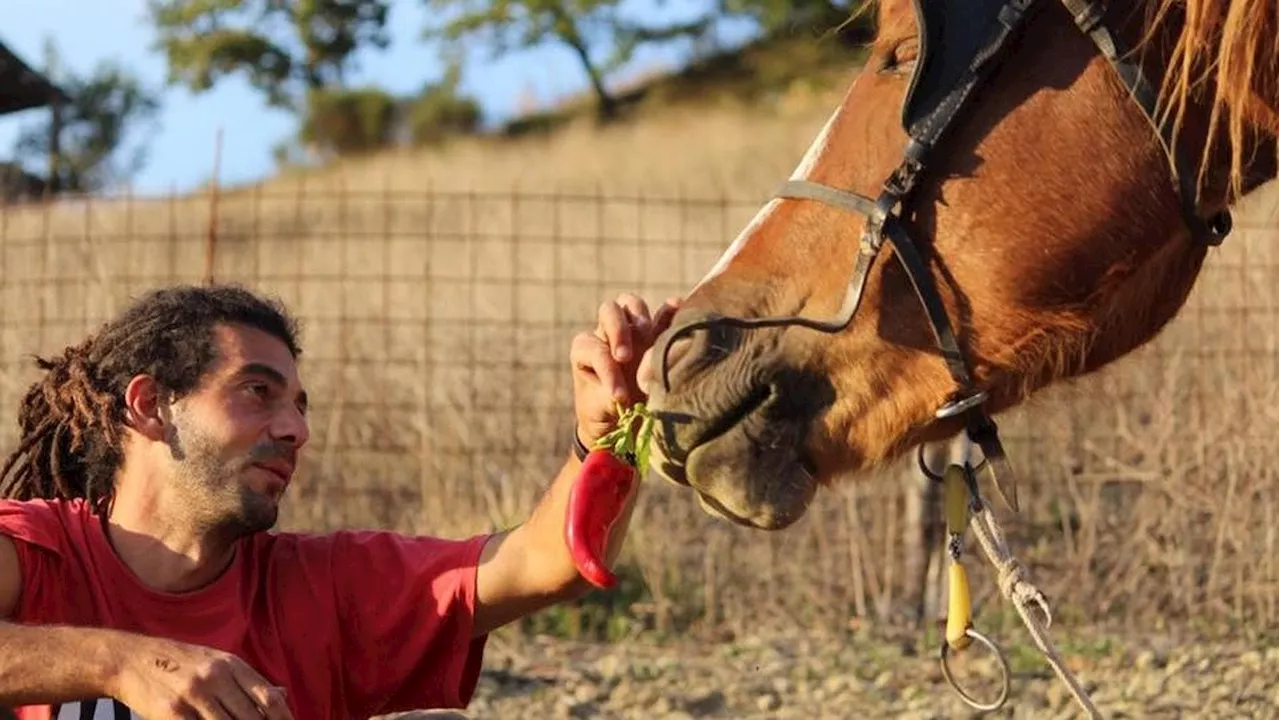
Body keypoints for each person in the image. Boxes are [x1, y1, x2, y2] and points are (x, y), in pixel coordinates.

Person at [0, 283, 679, 720]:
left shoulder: (322, 589)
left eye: (299, 405)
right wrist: (122, 664)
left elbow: (544, 562)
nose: (297, 429)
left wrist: (607, 434)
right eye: (257, 393)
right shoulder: (36, 553)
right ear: (150, 407)